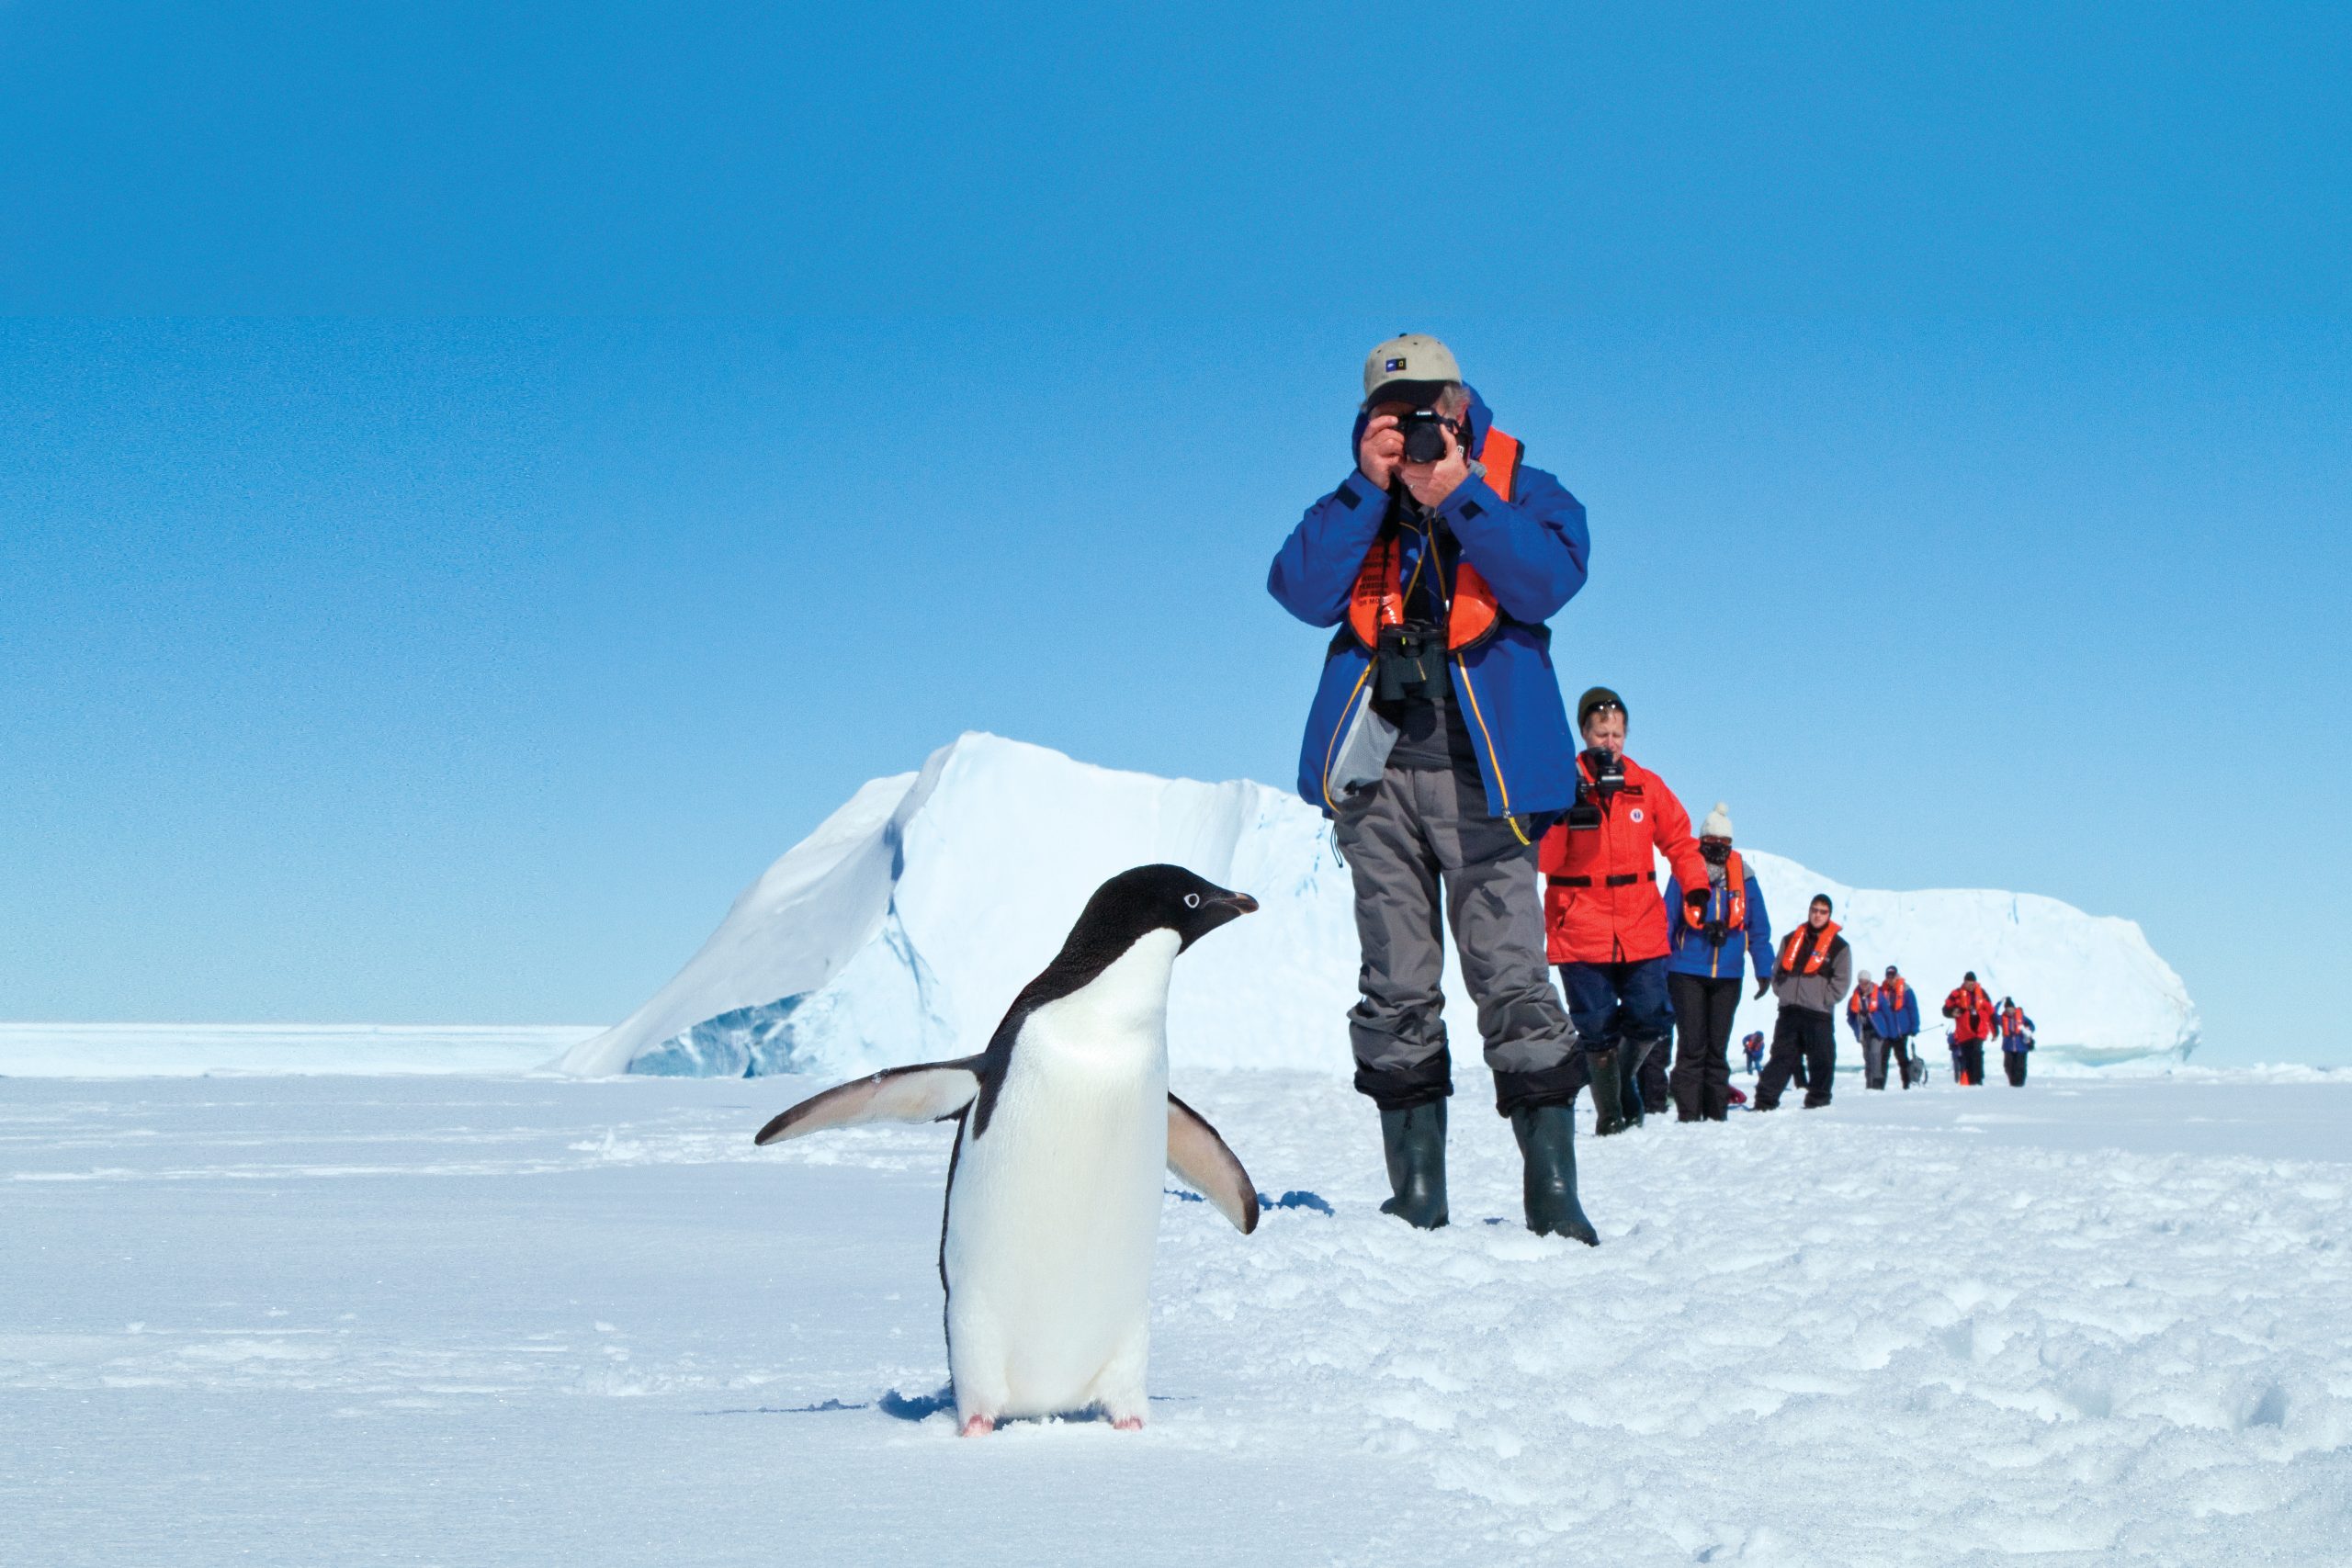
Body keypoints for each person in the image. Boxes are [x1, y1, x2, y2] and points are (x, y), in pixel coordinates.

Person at [1267, 333, 1594, 1238]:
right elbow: (1299, 590)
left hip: (1488, 777)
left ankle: (1552, 1194)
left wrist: (1460, 494)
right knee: (1396, 984)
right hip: (1377, 779)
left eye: (1424, 408)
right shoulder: (1358, 502)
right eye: (1389, 413)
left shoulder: (1521, 486)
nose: (1411, 426)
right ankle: (1418, 1195)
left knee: (1514, 978)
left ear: (1458, 404)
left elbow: (1546, 582)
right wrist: (1366, 488)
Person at [1537, 687, 1711, 1136]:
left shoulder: (1645, 785)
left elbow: (1680, 841)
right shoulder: (1560, 783)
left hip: (1640, 922)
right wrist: (1563, 812)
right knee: (1595, 1026)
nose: (1610, 743)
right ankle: (1611, 1115)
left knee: (1653, 1015)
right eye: (1602, 733)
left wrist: (1695, 887)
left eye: (1617, 734)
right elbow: (1546, 861)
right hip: (1580, 924)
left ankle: (1621, 1083)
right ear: (1584, 733)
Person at [1661, 802, 1773, 1122]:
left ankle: (1716, 1113)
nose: (1718, 847)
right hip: (1686, 971)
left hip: (1728, 974)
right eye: (1712, 841)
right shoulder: (1684, 873)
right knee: (1692, 1046)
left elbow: (1758, 927)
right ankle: (1688, 1113)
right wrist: (1659, 968)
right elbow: (1667, 920)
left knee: (1717, 1047)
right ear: (1701, 841)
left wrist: (1764, 969)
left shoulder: (1745, 879)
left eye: (1724, 842)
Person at [1754, 894, 1853, 1111]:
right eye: (1814, 910)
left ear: (1829, 915)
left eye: (1823, 912)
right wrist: (1782, 992)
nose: (1817, 915)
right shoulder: (1790, 939)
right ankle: (1764, 1101)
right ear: (1809, 911)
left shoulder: (1839, 947)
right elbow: (1777, 969)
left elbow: (1842, 980)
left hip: (1818, 1013)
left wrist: (1825, 999)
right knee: (1781, 1057)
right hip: (1789, 1010)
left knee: (1822, 1058)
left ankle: (1818, 1101)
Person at [1869, 964, 1922, 1088]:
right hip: (1886, 1032)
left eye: (1892, 976)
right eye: (1888, 976)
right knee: (1882, 1059)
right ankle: (1879, 1087)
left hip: (1901, 1032)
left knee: (1902, 1059)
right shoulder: (1881, 992)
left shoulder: (1907, 991)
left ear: (1897, 976)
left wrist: (1914, 1027)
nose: (1890, 979)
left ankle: (1907, 1085)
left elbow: (1913, 1009)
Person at [1942, 972, 1998, 1087]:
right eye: (1969, 983)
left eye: (1973, 983)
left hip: (1980, 1031)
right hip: (1964, 1032)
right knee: (1967, 1057)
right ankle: (1972, 1082)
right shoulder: (1956, 994)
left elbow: (1991, 1012)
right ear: (1964, 982)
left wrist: (1995, 1031)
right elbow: (1945, 1009)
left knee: (1977, 1053)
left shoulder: (1982, 993)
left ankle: (1978, 1080)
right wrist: (1952, 1012)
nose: (1971, 986)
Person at [1848, 973, 1883, 1088]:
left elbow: (1886, 1012)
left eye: (1866, 982)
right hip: (1864, 1032)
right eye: (1861, 982)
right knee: (1868, 1059)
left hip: (1877, 1032)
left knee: (1875, 1054)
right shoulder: (1854, 998)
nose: (1863, 985)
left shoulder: (1878, 996)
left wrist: (1886, 1030)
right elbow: (1850, 1017)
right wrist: (1856, 1029)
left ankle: (1877, 1083)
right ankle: (1869, 1085)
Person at [1998, 998, 2036, 1086]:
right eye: (2007, 1010)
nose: (2009, 1011)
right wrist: (1999, 1002)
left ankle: (2020, 1085)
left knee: (2020, 1067)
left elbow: (2032, 1025)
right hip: (2008, 1047)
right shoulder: (2002, 1019)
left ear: (2014, 1009)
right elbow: (1994, 1013)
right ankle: (2013, 1083)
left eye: (2011, 1009)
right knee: (2008, 1066)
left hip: (2021, 1047)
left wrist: (2027, 1030)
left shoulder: (2021, 1017)